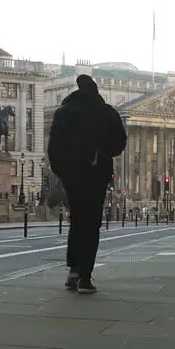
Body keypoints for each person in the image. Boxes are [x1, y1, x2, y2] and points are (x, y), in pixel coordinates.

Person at [47, 74, 127, 293]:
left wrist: (62, 170)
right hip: (97, 172)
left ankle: (73, 269)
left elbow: (53, 146)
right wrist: (103, 152)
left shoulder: (65, 112)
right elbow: (120, 142)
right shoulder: (107, 113)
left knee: (77, 218)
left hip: (73, 174)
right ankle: (85, 276)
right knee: (91, 223)